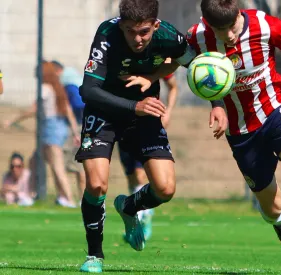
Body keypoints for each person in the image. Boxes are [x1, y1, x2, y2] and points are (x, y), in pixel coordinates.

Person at [184, 1, 281, 274]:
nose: (229, 35)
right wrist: (216, 105)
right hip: (241, 132)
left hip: (276, 110)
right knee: (272, 207)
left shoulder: (264, 25)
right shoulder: (197, 37)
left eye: (232, 26)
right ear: (208, 24)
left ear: (239, 14)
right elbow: (178, 60)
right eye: (221, 30)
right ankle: (279, 221)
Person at [74, 0, 225, 272]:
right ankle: (94, 255)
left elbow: (196, 66)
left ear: (155, 25)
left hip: (145, 113)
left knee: (165, 188)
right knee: (97, 186)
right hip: (104, 112)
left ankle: (129, 207)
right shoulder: (107, 35)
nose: (138, 38)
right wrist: (135, 106)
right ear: (121, 25)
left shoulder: (170, 36)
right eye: (131, 31)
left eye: (144, 31)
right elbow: (88, 90)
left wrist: (217, 104)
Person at [3, 61, 80, 208]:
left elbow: (34, 108)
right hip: (58, 127)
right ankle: (29, 194)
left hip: (51, 129)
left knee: (57, 166)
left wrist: (12, 120)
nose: (36, 77)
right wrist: (75, 132)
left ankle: (68, 198)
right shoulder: (57, 88)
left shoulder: (45, 88)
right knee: (34, 161)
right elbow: (68, 111)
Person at [117, 73, 178, 241]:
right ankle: (134, 214)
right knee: (132, 178)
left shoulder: (158, 58)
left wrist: (168, 111)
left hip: (148, 126)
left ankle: (145, 217)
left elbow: (173, 86)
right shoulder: (118, 56)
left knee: (140, 175)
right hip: (122, 123)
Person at [51, 60, 86, 202]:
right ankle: (82, 198)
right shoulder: (74, 76)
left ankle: (68, 197)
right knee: (80, 164)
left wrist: (72, 118)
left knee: (72, 163)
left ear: (57, 70)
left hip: (78, 125)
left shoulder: (67, 81)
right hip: (85, 123)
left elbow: (78, 103)